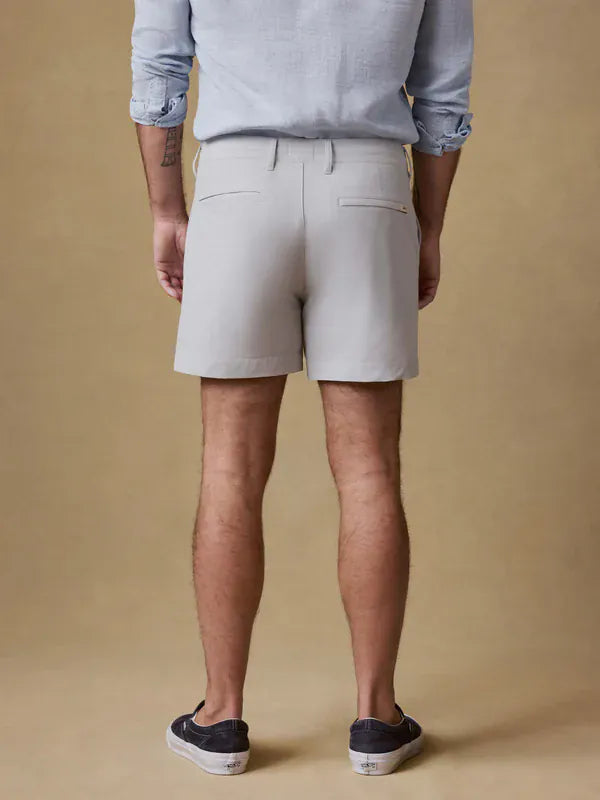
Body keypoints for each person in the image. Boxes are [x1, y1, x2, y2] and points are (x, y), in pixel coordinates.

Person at [129, 0, 474, 777]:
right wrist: (428, 227)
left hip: (237, 188)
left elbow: (158, 72)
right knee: (369, 471)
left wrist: (165, 211)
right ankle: (377, 719)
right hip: (370, 188)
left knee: (229, 468)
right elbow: (443, 93)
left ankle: (220, 718)